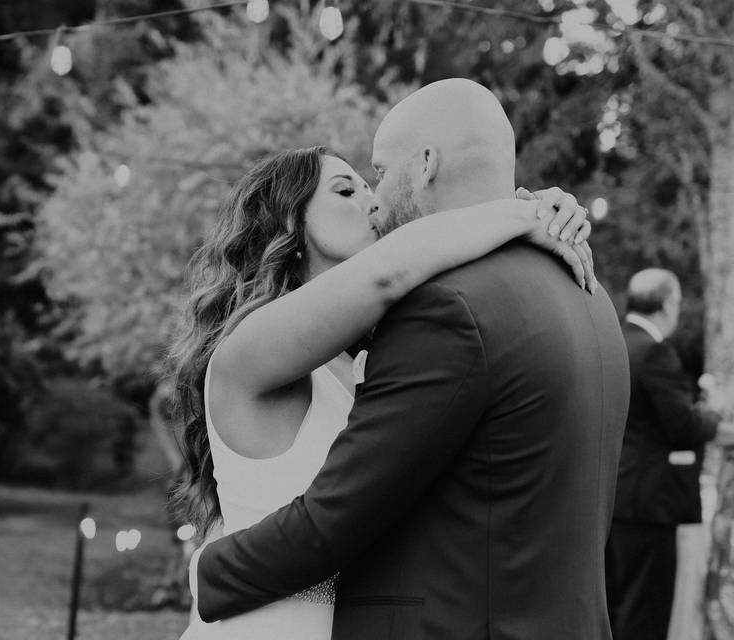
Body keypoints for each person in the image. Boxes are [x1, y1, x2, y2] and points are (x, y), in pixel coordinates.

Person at [190, 78, 630, 640]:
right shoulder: (250, 347)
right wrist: (524, 213)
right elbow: (387, 271)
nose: (374, 199)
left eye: (374, 176)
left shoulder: (385, 349)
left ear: (424, 165)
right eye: (347, 191)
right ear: (290, 231)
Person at [606, 268, 730, 640]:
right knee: (645, 615)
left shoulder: (616, 341)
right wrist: (716, 417)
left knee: (616, 607)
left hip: (615, 497)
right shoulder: (655, 351)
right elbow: (683, 424)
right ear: (668, 304)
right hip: (649, 505)